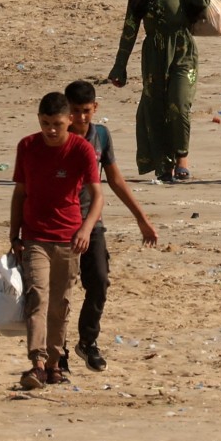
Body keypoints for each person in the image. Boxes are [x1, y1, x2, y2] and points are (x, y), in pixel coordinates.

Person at [9, 92, 102, 390]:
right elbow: (20, 193)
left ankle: (53, 363)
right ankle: (36, 363)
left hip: (68, 239)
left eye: (57, 124)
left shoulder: (81, 149)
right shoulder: (27, 146)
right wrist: (15, 235)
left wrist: (86, 230)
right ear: (38, 119)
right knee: (37, 298)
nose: (51, 130)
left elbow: (97, 195)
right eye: (45, 123)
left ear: (69, 121)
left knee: (60, 305)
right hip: (35, 236)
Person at [64, 80, 157, 374]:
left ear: (96, 108)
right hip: (62, 223)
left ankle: (87, 342)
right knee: (60, 290)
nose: (80, 118)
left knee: (100, 282)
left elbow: (115, 180)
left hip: (92, 221)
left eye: (86, 111)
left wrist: (141, 218)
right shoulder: (57, 137)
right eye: (75, 111)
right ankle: (58, 351)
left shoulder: (101, 136)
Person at [105, 0, 209, 182]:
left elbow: (202, 7)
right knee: (156, 108)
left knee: (179, 104)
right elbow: (129, 32)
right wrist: (119, 66)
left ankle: (182, 157)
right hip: (154, 56)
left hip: (183, 53)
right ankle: (164, 164)